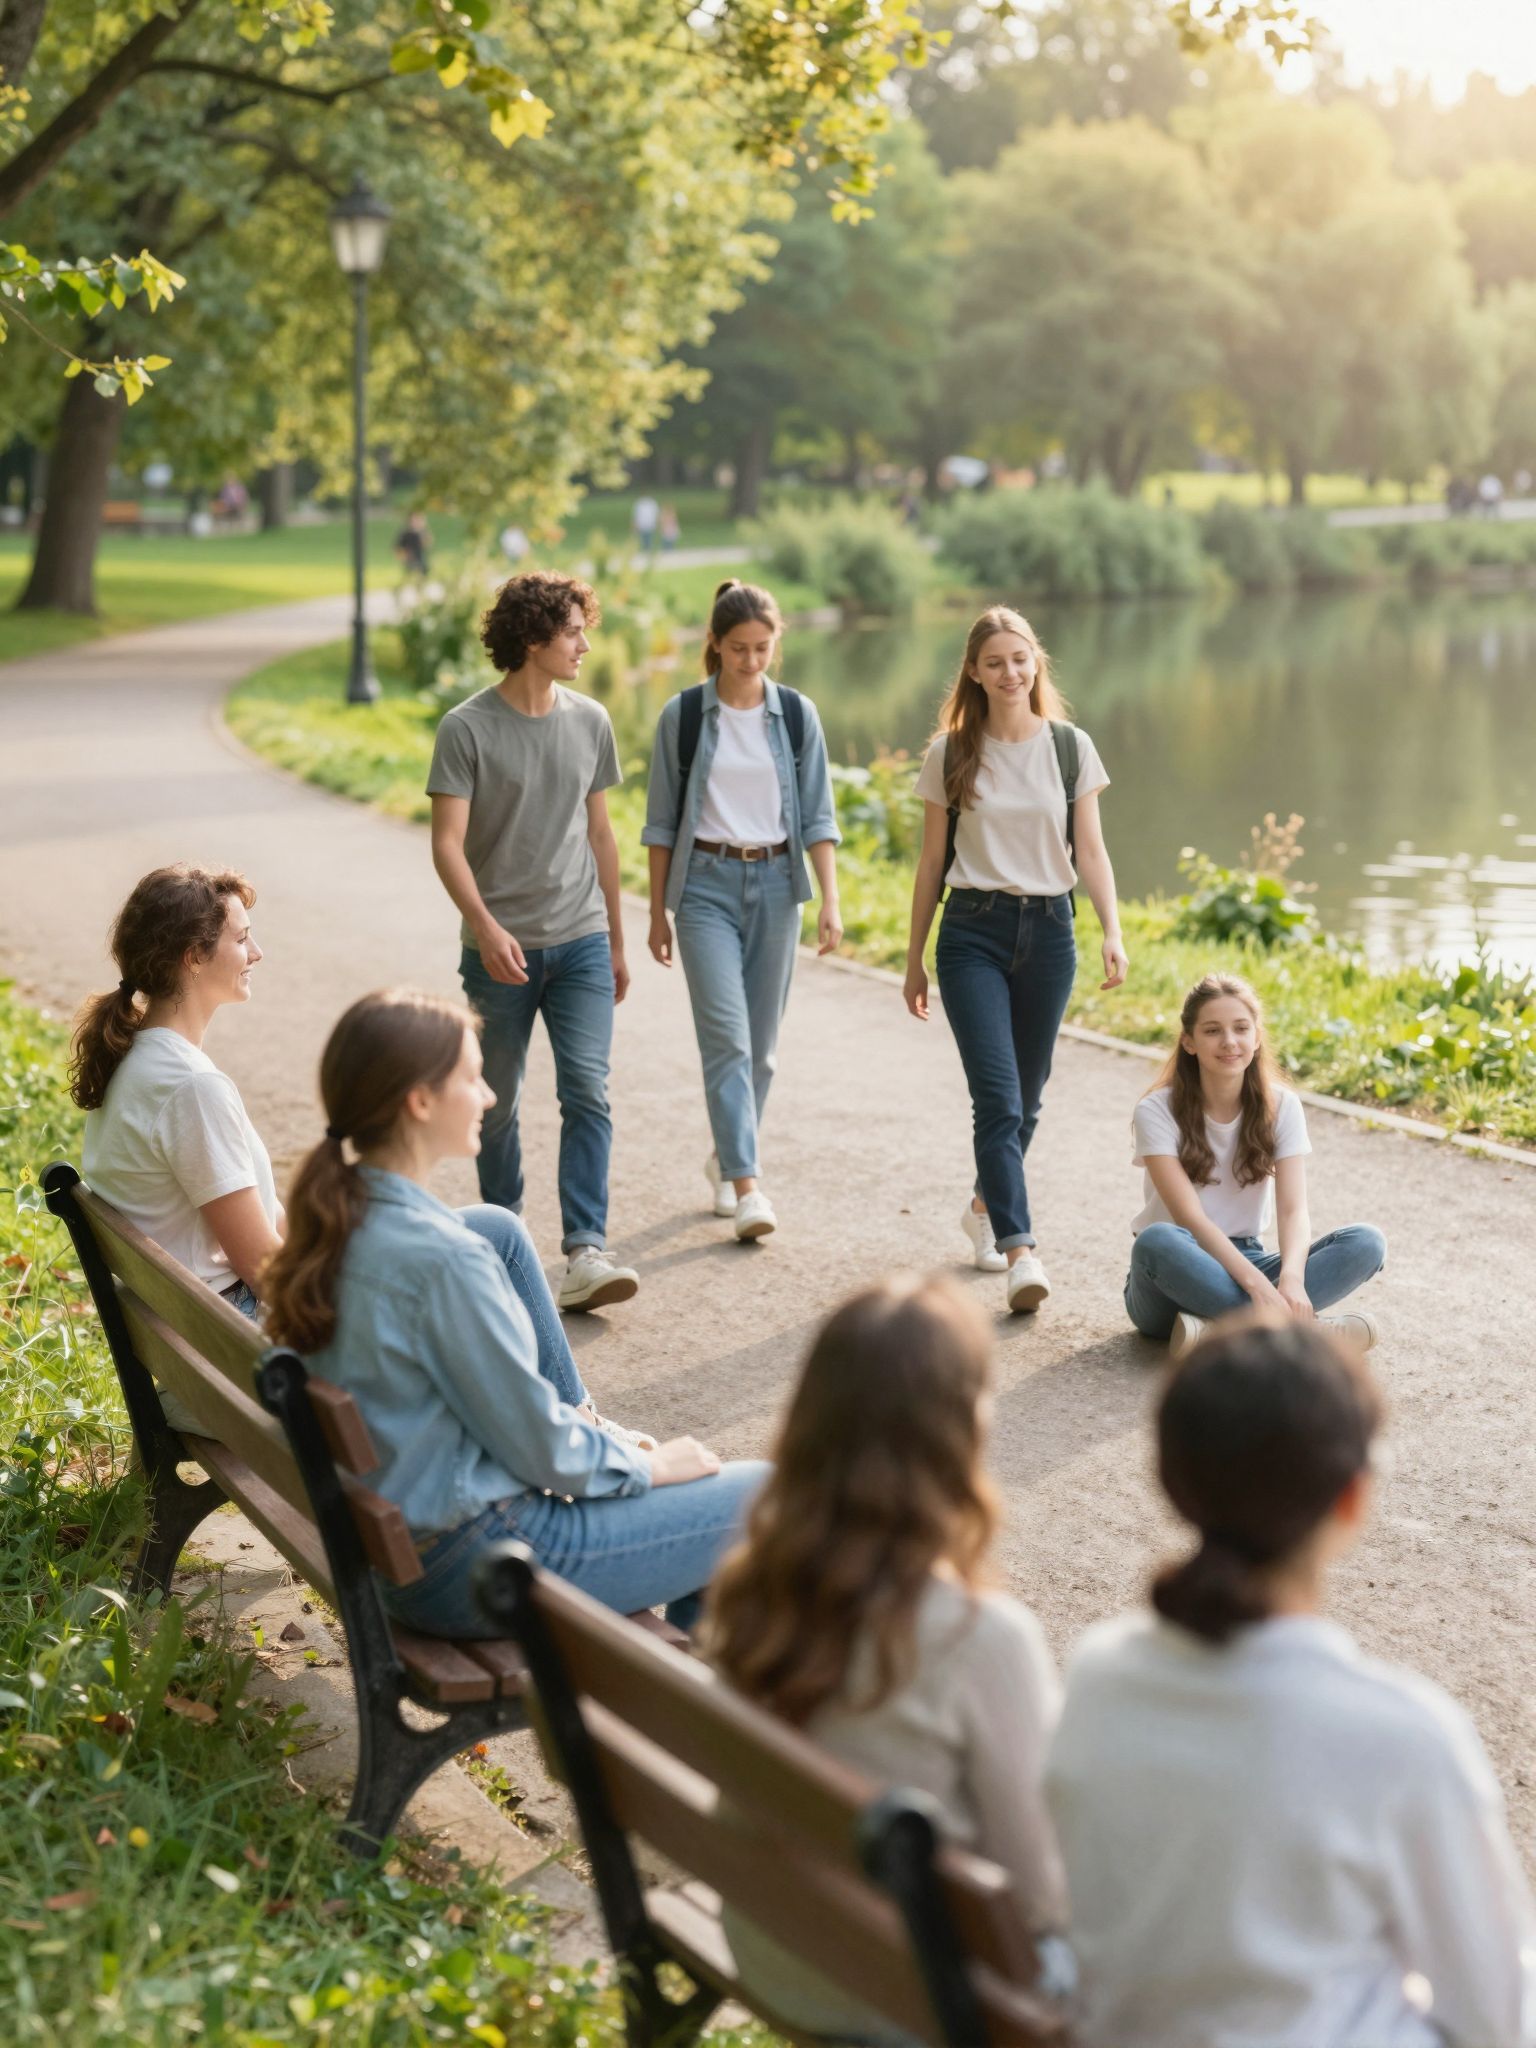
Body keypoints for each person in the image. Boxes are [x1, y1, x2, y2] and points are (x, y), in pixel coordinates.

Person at [1046, 1320, 1536, 2048]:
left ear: (1172, 1479)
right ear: (1351, 1498)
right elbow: (1499, 2020)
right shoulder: (1403, 1740)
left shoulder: (1100, 1673)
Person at [262, 989, 768, 1637]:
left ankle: (689, 1690)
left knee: (699, 1498)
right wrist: (647, 1468)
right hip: (474, 1564)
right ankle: (689, 1708)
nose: (490, 1096)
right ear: (419, 1102)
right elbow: (540, 1447)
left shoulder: (335, 1219)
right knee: (762, 1494)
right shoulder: (442, 1260)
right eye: (473, 1079)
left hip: (398, 1554)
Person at [708, 1276, 1071, 2043]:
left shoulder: (756, 1583)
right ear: (961, 1431)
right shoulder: (981, 1639)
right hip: (907, 1997)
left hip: (771, 1948)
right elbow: (1043, 1904)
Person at [904, 606, 1127, 1312]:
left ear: (1037, 664)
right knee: (997, 1099)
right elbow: (932, 861)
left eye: (1021, 658)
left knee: (1027, 1100)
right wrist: (913, 959)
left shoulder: (1068, 747)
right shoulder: (951, 753)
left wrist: (1110, 929)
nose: (1010, 672)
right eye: (995, 661)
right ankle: (1021, 1249)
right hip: (972, 933)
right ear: (974, 670)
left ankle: (983, 1206)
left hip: (1050, 933)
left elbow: (1089, 849)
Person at [427, 571, 639, 1312]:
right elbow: (447, 844)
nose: (585, 644)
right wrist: (484, 927)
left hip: (580, 938)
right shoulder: (467, 729)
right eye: (573, 631)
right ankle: (505, 1238)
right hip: (500, 951)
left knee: (588, 1088)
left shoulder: (591, 721)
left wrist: (616, 938)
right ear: (532, 638)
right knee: (499, 1103)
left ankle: (586, 1249)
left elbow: (603, 835)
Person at [642, 580, 842, 1238]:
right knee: (726, 1040)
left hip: (778, 886)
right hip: (703, 887)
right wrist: (656, 912)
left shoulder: (795, 714)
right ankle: (750, 1186)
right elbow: (661, 822)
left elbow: (817, 815)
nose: (751, 661)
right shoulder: (685, 716)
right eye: (738, 650)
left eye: (762, 648)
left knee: (763, 1052)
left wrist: (830, 902)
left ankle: (727, 1160)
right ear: (715, 645)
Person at [1126, 974, 1385, 1358]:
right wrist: (1259, 1288)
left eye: (1241, 1029)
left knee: (1366, 1242)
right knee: (1157, 1239)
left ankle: (1217, 1330)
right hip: (1173, 1270)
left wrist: (1292, 1281)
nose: (1230, 1042)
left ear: (1257, 1037)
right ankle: (1304, 1335)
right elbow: (1191, 1219)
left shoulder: (1282, 1106)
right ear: (1189, 1042)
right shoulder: (1156, 1110)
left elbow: (1294, 1210)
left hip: (1248, 1254)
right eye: (1212, 1030)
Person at [72, 864, 279, 1319]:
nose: (257, 953)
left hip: (196, 1331)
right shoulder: (190, 1087)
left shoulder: (135, 1060)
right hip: (238, 1335)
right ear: (194, 957)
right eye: (242, 939)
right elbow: (265, 1269)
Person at [394, 509, 432, 579]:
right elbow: (398, 548)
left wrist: (421, 532)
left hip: (421, 559)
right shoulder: (405, 533)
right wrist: (403, 556)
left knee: (423, 568)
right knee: (412, 570)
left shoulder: (422, 532)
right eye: (414, 520)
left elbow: (427, 544)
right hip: (410, 559)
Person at [631, 492, 659, 556]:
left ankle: (648, 552)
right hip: (643, 525)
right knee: (644, 540)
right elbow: (636, 516)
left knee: (649, 540)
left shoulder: (651, 503)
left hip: (649, 524)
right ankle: (645, 552)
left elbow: (655, 514)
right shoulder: (639, 504)